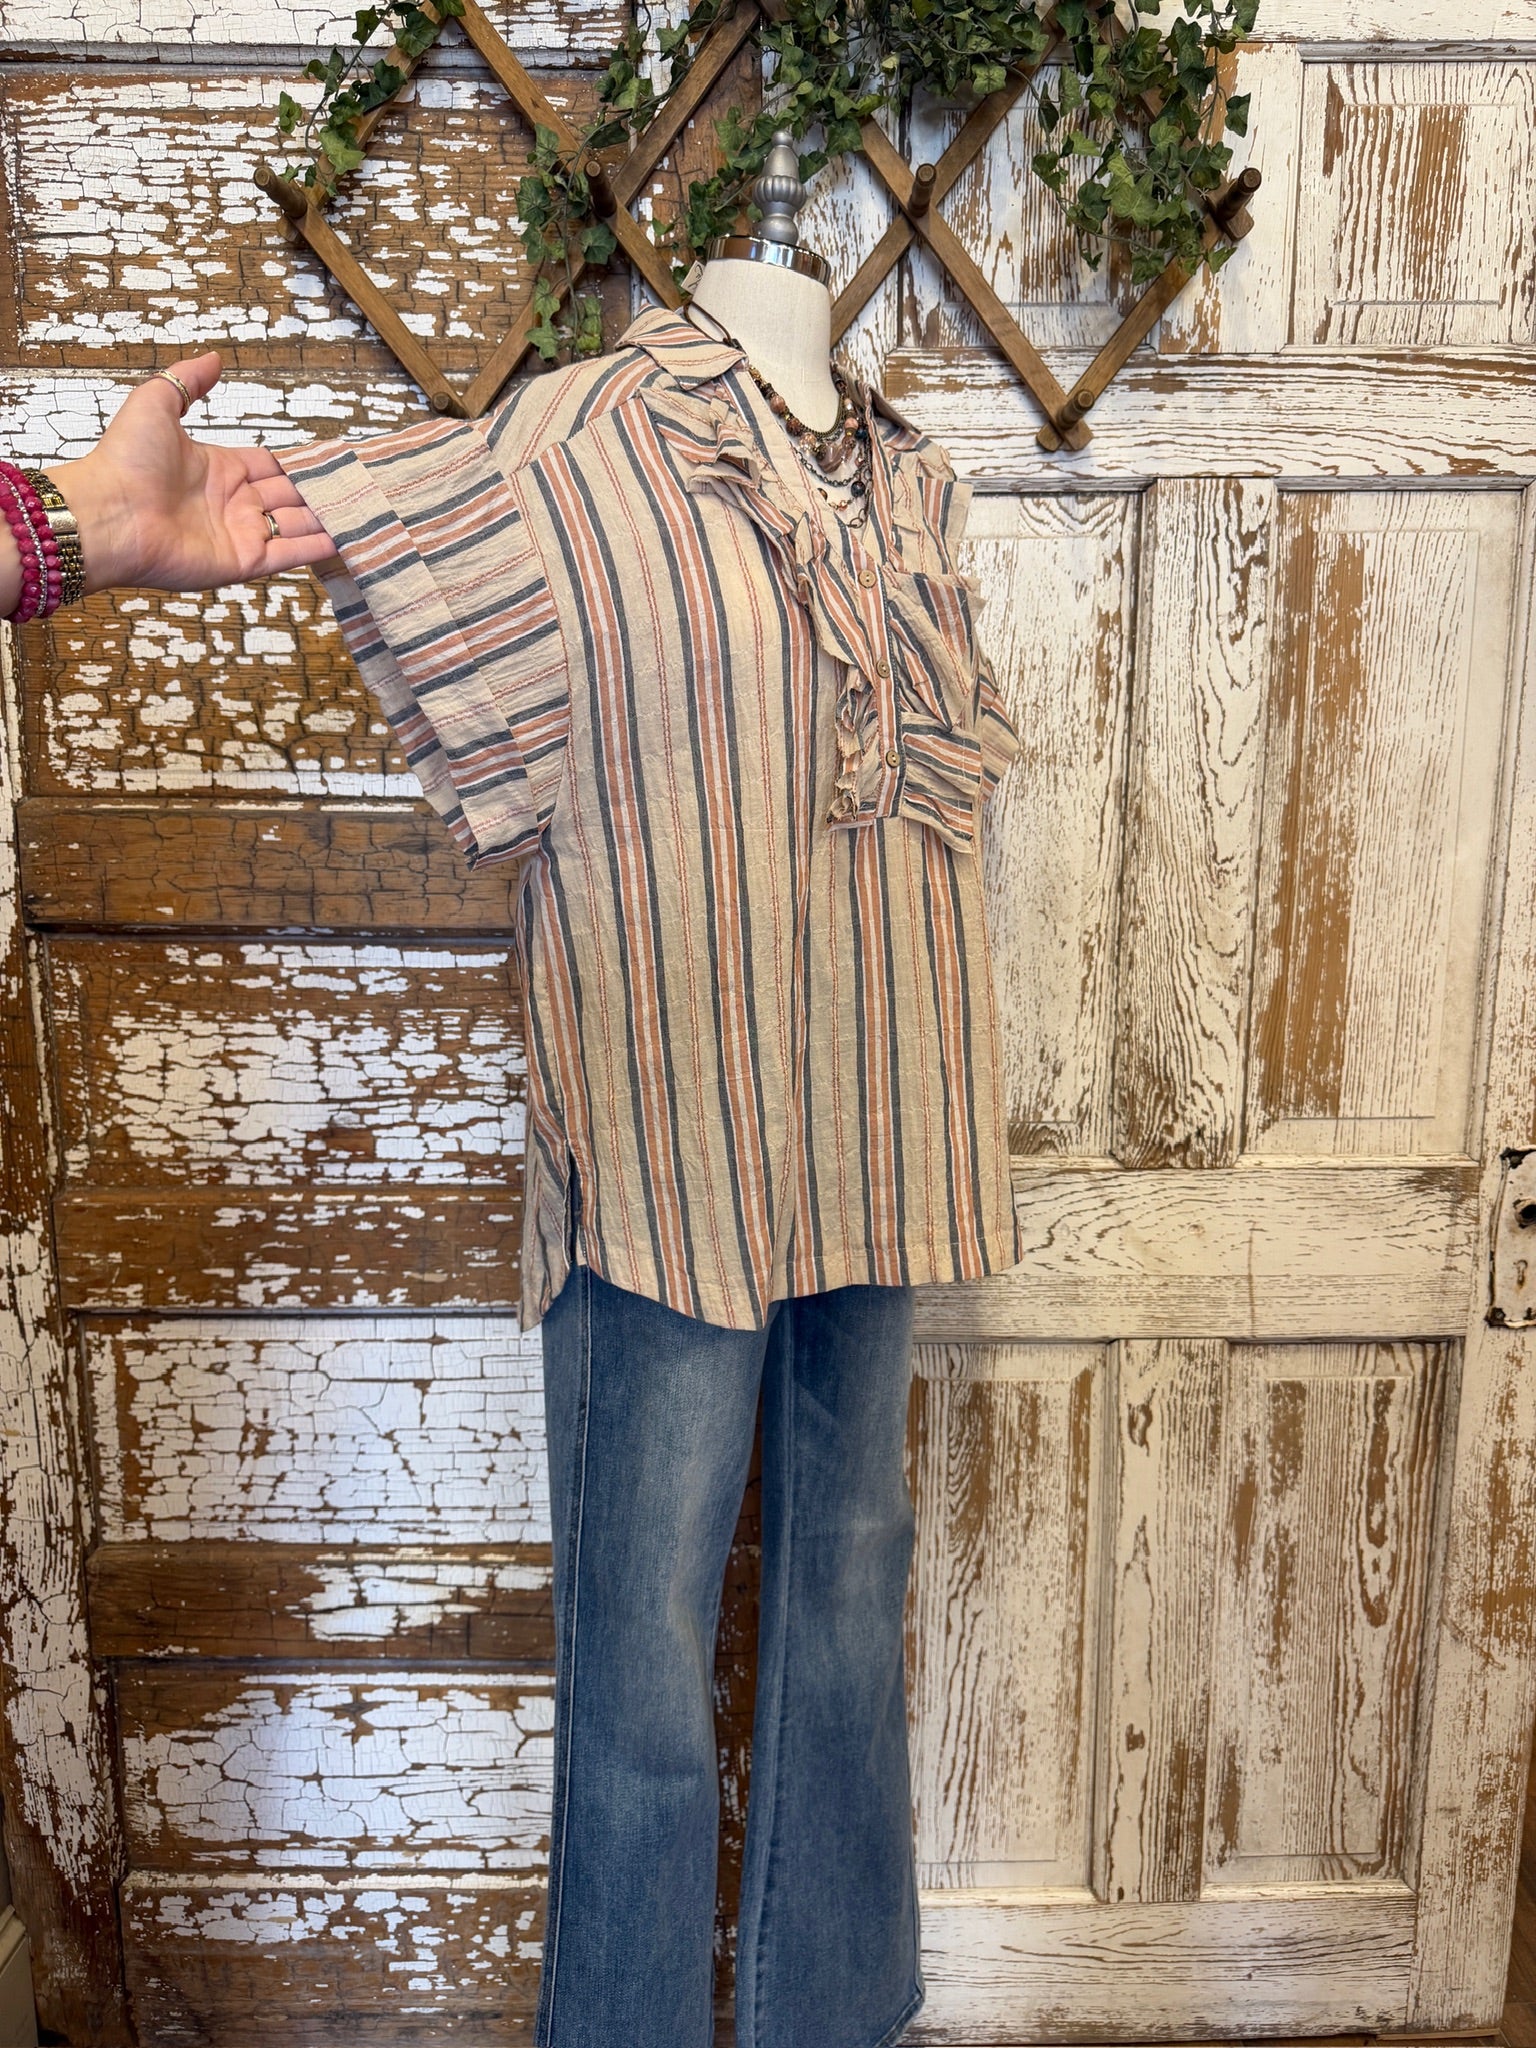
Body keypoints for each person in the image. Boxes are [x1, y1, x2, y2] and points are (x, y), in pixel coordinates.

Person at [2, 152, 1023, 2047]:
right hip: (667, 1149)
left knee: (850, 1594)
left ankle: (833, 2017)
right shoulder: (579, 449)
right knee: (638, 1660)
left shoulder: (914, 481)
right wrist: (82, 527)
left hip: (884, 1118)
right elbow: (379, 510)